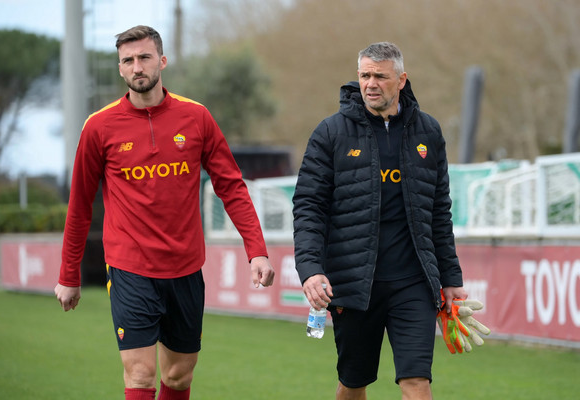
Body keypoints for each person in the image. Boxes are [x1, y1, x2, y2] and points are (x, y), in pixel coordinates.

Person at [54, 25, 275, 400]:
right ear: (120, 68)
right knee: (140, 375)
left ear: (162, 60)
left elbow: (232, 186)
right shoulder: (99, 126)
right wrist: (68, 273)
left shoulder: (197, 117)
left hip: (185, 267)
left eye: (144, 57)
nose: (137, 67)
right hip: (130, 267)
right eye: (128, 60)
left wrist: (257, 250)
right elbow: (79, 207)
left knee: (178, 376)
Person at [293, 42, 467, 400]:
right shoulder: (331, 133)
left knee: (417, 381)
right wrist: (310, 270)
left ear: (401, 80)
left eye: (380, 76)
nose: (371, 84)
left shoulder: (428, 132)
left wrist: (450, 278)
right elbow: (309, 207)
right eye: (364, 75)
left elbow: (438, 211)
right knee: (353, 383)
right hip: (355, 284)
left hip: (414, 283)